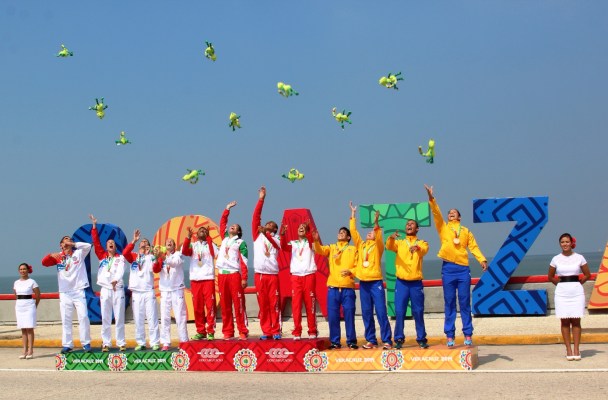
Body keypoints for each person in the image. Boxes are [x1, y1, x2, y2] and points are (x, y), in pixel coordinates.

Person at [425, 184, 488, 347]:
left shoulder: (466, 231)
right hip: (448, 269)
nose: (451, 213)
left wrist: (481, 259)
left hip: (463, 269)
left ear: (459, 217)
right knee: (449, 302)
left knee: (465, 302)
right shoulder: (443, 228)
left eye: (454, 212)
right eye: (449, 213)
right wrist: (431, 198)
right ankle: (450, 335)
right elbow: (436, 213)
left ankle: (468, 334)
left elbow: (473, 247)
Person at [349, 202, 392, 350]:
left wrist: (376, 222)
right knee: (366, 313)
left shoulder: (378, 246)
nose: (369, 233)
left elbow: (378, 234)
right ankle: (371, 340)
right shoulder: (361, 245)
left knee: (381, 311)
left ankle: (387, 340)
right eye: (368, 232)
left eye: (372, 232)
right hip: (363, 283)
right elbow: (354, 232)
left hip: (375, 282)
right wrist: (353, 214)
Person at [42, 235, 92, 354]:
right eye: (66, 240)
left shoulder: (79, 254)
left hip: (78, 290)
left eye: (70, 240)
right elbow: (44, 263)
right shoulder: (58, 257)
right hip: (64, 292)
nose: (68, 241)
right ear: (61, 245)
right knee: (66, 319)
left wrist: (73, 244)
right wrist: (50, 255)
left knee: (83, 316)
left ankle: (86, 343)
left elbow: (88, 246)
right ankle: (67, 344)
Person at [386, 220, 430, 349]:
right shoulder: (400, 242)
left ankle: (421, 338)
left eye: (412, 224)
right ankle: (399, 338)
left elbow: (424, 250)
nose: (409, 225)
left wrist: (417, 248)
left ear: (417, 229)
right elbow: (389, 246)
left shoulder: (421, 243)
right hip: (402, 283)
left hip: (416, 283)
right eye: (407, 224)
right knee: (399, 311)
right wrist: (391, 238)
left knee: (418, 311)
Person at [313, 225, 358, 349]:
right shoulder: (332, 247)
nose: (340, 233)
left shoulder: (353, 249)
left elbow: (358, 266)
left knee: (349, 315)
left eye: (343, 232)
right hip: (333, 288)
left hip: (347, 287)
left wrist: (351, 271)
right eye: (339, 232)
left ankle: (351, 341)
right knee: (333, 317)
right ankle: (335, 342)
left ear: (348, 237)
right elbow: (320, 250)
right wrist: (316, 241)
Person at [548, 233, 591, 361]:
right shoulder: (556, 259)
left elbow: (587, 274)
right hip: (562, 293)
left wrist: (578, 283)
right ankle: (568, 349)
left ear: (572, 243)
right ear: (560, 244)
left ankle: (576, 349)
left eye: (567, 241)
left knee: (576, 321)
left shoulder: (579, 257)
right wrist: (560, 284)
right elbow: (550, 276)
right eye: (562, 242)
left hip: (576, 293)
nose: (565, 244)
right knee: (565, 321)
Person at [90, 214, 127, 352]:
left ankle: (121, 343)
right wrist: (94, 226)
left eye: (113, 243)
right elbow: (96, 242)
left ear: (115, 246)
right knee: (105, 317)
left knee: (119, 317)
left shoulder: (120, 258)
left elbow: (121, 270)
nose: (111, 243)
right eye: (109, 242)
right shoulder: (102, 257)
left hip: (117, 289)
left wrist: (115, 280)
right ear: (106, 247)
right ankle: (106, 343)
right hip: (105, 289)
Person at [216, 201, 250, 340]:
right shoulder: (224, 238)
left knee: (238, 303)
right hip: (221, 275)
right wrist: (227, 209)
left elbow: (244, 261)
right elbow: (223, 223)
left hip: (234, 275)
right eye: (232, 225)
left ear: (238, 232)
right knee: (225, 305)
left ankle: (243, 330)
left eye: (235, 226)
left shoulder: (241, 242)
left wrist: (244, 278)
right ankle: (228, 331)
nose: (232, 226)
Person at [252, 186, 282, 340]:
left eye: (271, 225)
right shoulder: (257, 235)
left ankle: (276, 330)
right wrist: (261, 199)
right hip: (260, 275)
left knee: (274, 303)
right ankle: (266, 331)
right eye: (267, 224)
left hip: (272, 275)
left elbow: (276, 246)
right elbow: (256, 217)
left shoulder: (277, 238)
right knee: (263, 305)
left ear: (275, 229)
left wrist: (267, 233)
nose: (268, 225)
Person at [122, 230, 161, 351]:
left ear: (148, 246)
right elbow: (125, 253)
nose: (143, 243)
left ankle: (154, 342)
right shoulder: (134, 256)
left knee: (152, 318)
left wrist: (155, 257)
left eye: (146, 242)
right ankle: (141, 342)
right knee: (138, 319)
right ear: (139, 246)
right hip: (136, 292)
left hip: (148, 291)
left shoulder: (151, 257)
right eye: (142, 242)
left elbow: (156, 269)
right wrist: (134, 241)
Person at [280, 221, 318, 340]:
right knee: (296, 305)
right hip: (296, 276)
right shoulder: (293, 243)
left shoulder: (310, 242)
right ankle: (297, 332)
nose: (301, 228)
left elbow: (311, 239)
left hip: (309, 275)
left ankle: (312, 331)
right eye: (299, 227)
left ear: (306, 231)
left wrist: (309, 228)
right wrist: (282, 235)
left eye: (303, 227)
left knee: (310, 304)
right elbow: (284, 247)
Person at [181, 225, 219, 341]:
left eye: (204, 230)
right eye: (200, 230)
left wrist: (209, 238)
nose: (202, 231)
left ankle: (211, 331)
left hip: (208, 279)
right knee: (197, 307)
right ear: (196, 235)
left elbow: (215, 254)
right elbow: (184, 251)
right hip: (195, 279)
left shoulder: (211, 244)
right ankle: (201, 331)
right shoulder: (193, 245)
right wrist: (188, 238)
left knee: (210, 306)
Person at [153, 237, 189, 350]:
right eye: (167, 242)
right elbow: (155, 269)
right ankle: (166, 342)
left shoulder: (178, 255)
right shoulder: (161, 257)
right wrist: (156, 259)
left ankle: (184, 341)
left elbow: (174, 263)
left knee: (180, 317)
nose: (169, 242)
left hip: (177, 289)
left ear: (174, 245)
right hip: (165, 290)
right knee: (164, 318)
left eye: (171, 242)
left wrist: (163, 257)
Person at [13, 263, 40, 359]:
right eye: (21, 269)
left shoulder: (32, 282)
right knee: (23, 329)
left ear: (28, 270)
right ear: (19, 271)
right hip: (19, 306)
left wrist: (35, 305)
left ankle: (30, 350)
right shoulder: (16, 282)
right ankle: (24, 350)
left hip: (29, 305)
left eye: (24, 269)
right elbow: (16, 295)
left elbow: (38, 295)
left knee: (29, 328)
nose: (22, 271)